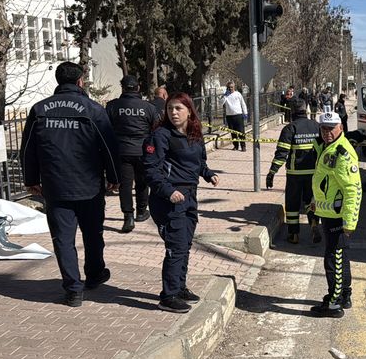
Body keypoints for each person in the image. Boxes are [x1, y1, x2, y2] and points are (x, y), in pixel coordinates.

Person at [19, 62, 120, 307]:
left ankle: (74, 290)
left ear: (58, 81)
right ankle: (95, 274)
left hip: (55, 186)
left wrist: (31, 179)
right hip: (89, 186)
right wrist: (114, 178)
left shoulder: (39, 109)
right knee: (93, 234)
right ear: (80, 82)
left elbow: (28, 149)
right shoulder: (93, 109)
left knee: (63, 240)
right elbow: (109, 147)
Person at [143, 93, 219, 313]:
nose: (174, 113)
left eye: (178, 109)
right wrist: (168, 191)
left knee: (185, 243)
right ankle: (168, 295)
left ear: (189, 111)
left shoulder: (194, 134)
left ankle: (180, 286)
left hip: (189, 196)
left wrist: (208, 173)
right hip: (168, 199)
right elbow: (151, 170)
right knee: (175, 246)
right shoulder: (160, 135)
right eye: (170, 109)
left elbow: (199, 161)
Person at [309, 111, 362, 317]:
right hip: (330, 212)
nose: (327, 133)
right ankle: (343, 295)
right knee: (340, 257)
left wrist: (349, 222)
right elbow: (327, 183)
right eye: (323, 129)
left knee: (334, 259)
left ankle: (334, 303)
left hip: (338, 216)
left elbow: (353, 190)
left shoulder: (342, 152)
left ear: (340, 127)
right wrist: (316, 202)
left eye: (331, 128)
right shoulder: (329, 147)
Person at [106, 75, 160, 232]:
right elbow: (156, 129)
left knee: (125, 185)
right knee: (142, 183)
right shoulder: (149, 107)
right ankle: (142, 212)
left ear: (122, 88)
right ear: (138, 88)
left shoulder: (112, 106)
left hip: (121, 151)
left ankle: (128, 216)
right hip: (143, 151)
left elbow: (105, 129)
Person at [266, 99, 321, 244]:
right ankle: (314, 223)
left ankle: (293, 235)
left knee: (292, 204)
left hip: (294, 175)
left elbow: (281, 153)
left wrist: (272, 172)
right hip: (313, 174)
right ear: (306, 110)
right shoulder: (316, 126)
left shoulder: (290, 128)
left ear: (292, 112)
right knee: (311, 201)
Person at [220, 81, 248, 151]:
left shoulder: (238, 94)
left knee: (241, 131)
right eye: (229, 88)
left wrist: (245, 113)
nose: (230, 89)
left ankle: (243, 146)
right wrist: (225, 96)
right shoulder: (225, 96)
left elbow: (243, 103)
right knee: (233, 132)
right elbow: (220, 103)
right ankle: (236, 146)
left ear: (234, 87)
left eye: (232, 87)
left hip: (238, 115)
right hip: (229, 116)